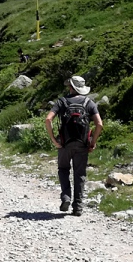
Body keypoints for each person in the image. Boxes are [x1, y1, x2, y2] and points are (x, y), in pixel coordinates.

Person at [44, 76, 103, 216]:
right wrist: (92, 142)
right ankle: (78, 207)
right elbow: (99, 124)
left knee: (63, 169)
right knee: (80, 174)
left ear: (70, 87)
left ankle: (66, 197)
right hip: (83, 144)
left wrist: (53, 139)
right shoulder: (89, 103)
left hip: (64, 144)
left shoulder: (62, 101)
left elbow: (48, 119)